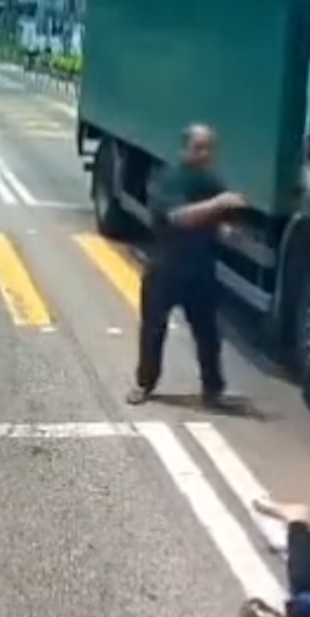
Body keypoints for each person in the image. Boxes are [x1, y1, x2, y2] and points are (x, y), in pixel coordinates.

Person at [127, 124, 249, 409]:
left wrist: (227, 231)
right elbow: (178, 217)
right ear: (185, 149)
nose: (205, 153)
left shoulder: (210, 182)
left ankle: (213, 389)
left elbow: (216, 221)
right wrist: (217, 204)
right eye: (199, 147)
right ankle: (144, 383)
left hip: (200, 269)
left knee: (208, 334)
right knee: (154, 329)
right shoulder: (168, 179)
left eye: (209, 148)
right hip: (166, 267)